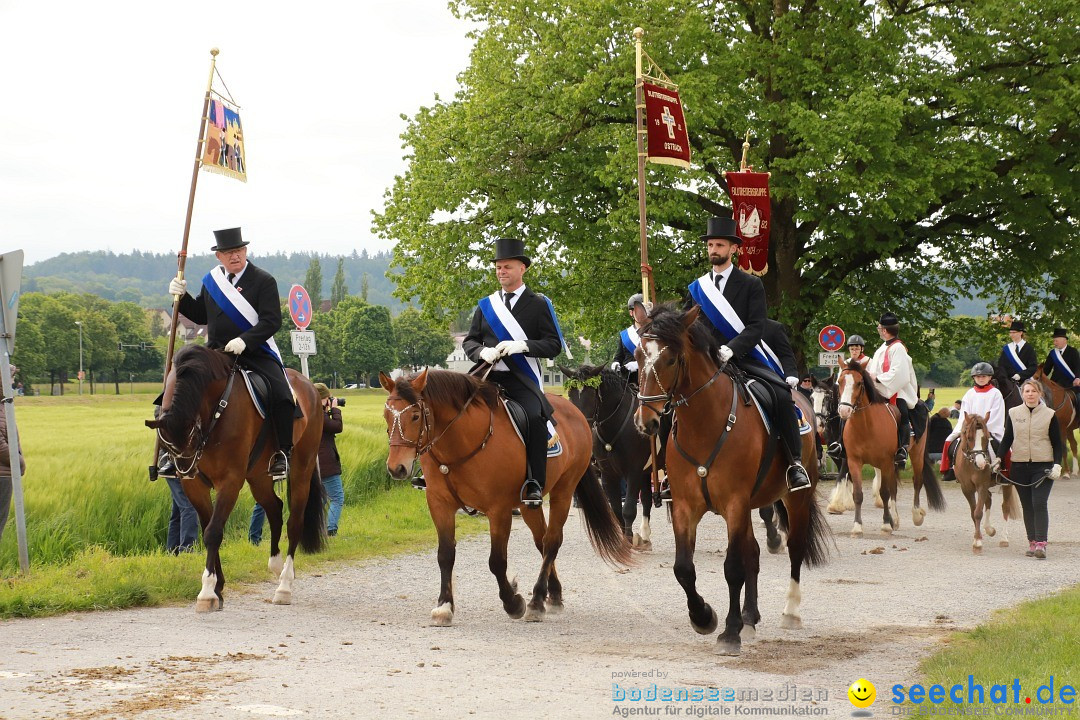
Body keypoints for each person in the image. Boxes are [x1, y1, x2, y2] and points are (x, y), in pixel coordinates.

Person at [684, 214, 810, 491]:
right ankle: (675, 470)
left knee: (779, 395)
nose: (713, 250)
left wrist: (732, 348)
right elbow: (686, 325)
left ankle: (794, 463)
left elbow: (755, 327)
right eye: (710, 245)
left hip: (744, 360)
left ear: (733, 249)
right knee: (672, 402)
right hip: (707, 363)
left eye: (719, 245)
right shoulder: (697, 289)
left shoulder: (751, 284)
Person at [162, 227, 294, 481]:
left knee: (282, 393)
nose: (235, 256)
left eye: (238, 250)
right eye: (228, 252)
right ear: (219, 256)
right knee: (176, 390)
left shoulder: (263, 280)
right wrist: (181, 297)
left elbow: (271, 321)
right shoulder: (212, 282)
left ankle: (282, 453)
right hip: (217, 353)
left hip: (255, 352)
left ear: (245, 251)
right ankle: (171, 450)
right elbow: (201, 315)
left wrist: (246, 341)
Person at [462, 237, 567, 506]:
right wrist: (480, 352)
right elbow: (470, 340)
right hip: (488, 373)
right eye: (498, 268)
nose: (501, 272)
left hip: (521, 377)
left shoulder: (539, 304)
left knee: (533, 416)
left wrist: (523, 345)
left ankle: (534, 482)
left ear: (522, 268)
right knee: (451, 406)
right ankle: (440, 472)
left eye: (506, 267)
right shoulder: (486, 305)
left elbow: (553, 345)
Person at [251, 382, 345, 543]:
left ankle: (254, 537)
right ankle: (329, 530)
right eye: (328, 398)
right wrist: (334, 408)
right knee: (335, 497)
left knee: (264, 498)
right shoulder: (316, 415)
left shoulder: (295, 413)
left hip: (280, 457)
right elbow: (337, 426)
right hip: (315, 463)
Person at [994, 379, 1063, 559]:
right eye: (1027, 391)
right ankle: (1032, 542)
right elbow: (1007, 438)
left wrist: (1057, 463)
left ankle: (1041, 543)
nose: (1030, 394)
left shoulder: (1050, 414)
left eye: (1033, 391)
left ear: (1040, 393)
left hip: (1043, 466)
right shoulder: (1013, 413)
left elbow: (1057, 443)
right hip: (1019, 466)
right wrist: (999, 458)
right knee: (1027, 505)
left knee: (1039, 503)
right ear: (1022, 394)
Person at [939, 362, 1005, 481]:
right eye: (978, 376)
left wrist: (983, 428)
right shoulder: (969, 394)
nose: (981, 379)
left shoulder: (996, 393)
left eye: (984, 376)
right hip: (970, 427)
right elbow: (965, 413)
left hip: (989, 427)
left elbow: (996, 414)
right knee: (948, 441)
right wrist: (968, 427)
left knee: (1005, 447)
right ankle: (949, 469)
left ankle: (1005, 472)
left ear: (990, 377)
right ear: (974, 378)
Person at [867, 312, 918, 464]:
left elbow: (899, 374)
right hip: (879, 388)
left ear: (884, 330)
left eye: (879, 327)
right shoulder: (883, 347)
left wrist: (876, 378)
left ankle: (903, 447)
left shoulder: (898, 348)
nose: (878, 329)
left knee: (901, 413)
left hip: (897, 390)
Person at [0, 366, 25, 546]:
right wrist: (19, 463)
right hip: (2, 475)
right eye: (9, 378)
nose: (13, 382)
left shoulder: (3, 406)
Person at [1042, 327, 1080, 417]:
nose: (1054, 343)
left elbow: (1078, 366)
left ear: (1064, 340)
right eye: (1054, 341)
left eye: (1056, 341)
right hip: (1055, 384)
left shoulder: (1073, 352)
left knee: (1079, 399)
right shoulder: (1052, 353)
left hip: (1071, 384)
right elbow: (1046, 370)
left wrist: (1078, 378)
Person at [612, 293, 647, 385]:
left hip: (649, 380)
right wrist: (615, 363)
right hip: (628, 380)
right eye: (638, 311)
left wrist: (638, 365)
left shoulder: (655, 333)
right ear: (631, 313)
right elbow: (619, 357)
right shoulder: (625, 334)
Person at [996, 320, 1038, 385]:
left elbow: (1033, 367)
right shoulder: (1007, 349)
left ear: (1020, 333)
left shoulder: (1029, 348)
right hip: (1008, 383)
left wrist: (1020, 375)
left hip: (1025, 382)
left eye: (1014, 332)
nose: (1011, 335)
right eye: (1010, 332)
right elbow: (1001, 366)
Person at [165, 477, 198, 554]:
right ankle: (187, 550)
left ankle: (173, 550)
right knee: (189, 508)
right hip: (179, 470)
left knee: (178, 513)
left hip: (172, 470)